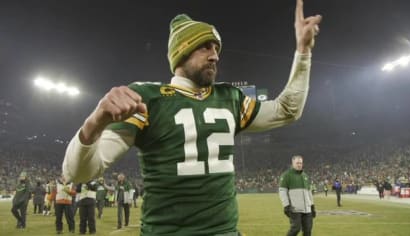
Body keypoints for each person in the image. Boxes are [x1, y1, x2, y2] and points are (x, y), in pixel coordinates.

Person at [62, 1, 322, 235]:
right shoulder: (147, 98)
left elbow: (287, 110)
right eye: (205, 47)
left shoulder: (229, 97)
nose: (215, 55)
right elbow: (79, 173)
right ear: (181, 51)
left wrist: (303, 52)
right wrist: (95, 121)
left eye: (217, 48)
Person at [279, 155, 315, 236]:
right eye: (297, 163)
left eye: (301, 163)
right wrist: (286, 205)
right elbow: (282, 191)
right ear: (293, 163)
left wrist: (312, 206)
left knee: (308, 230)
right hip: (295, 208)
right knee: (295, 229)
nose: (299, 165)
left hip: (307, 209)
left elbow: (309, 192)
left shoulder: (305, 176)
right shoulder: (286, 175)